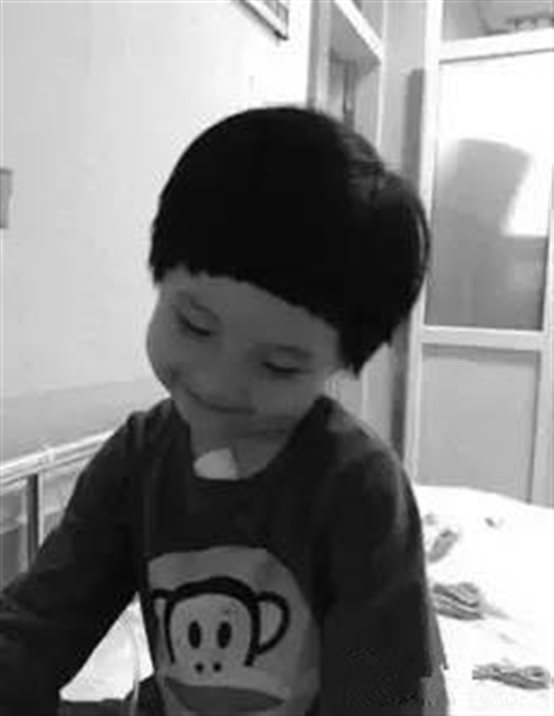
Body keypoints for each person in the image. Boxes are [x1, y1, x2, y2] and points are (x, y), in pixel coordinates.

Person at [0, 106, 448, 715]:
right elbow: (39, 625)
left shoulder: (357, 487)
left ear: (341, 364)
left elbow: (388, 697)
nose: (218, 382)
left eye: (279, 366)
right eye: (193, 324)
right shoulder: (138, 459)